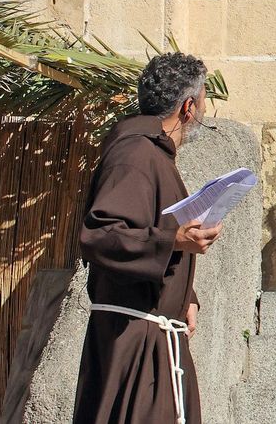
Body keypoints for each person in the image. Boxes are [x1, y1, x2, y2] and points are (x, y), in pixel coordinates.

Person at [74, 52, 220, 424]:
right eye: (203, 103)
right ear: (188, 107)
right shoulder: (135, 155)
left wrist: (187, 296)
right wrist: (175, 239)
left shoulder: (155, 155)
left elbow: (151, 229)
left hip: (156, 336)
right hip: (132, 344)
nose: (202, 114)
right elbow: (101, 235)